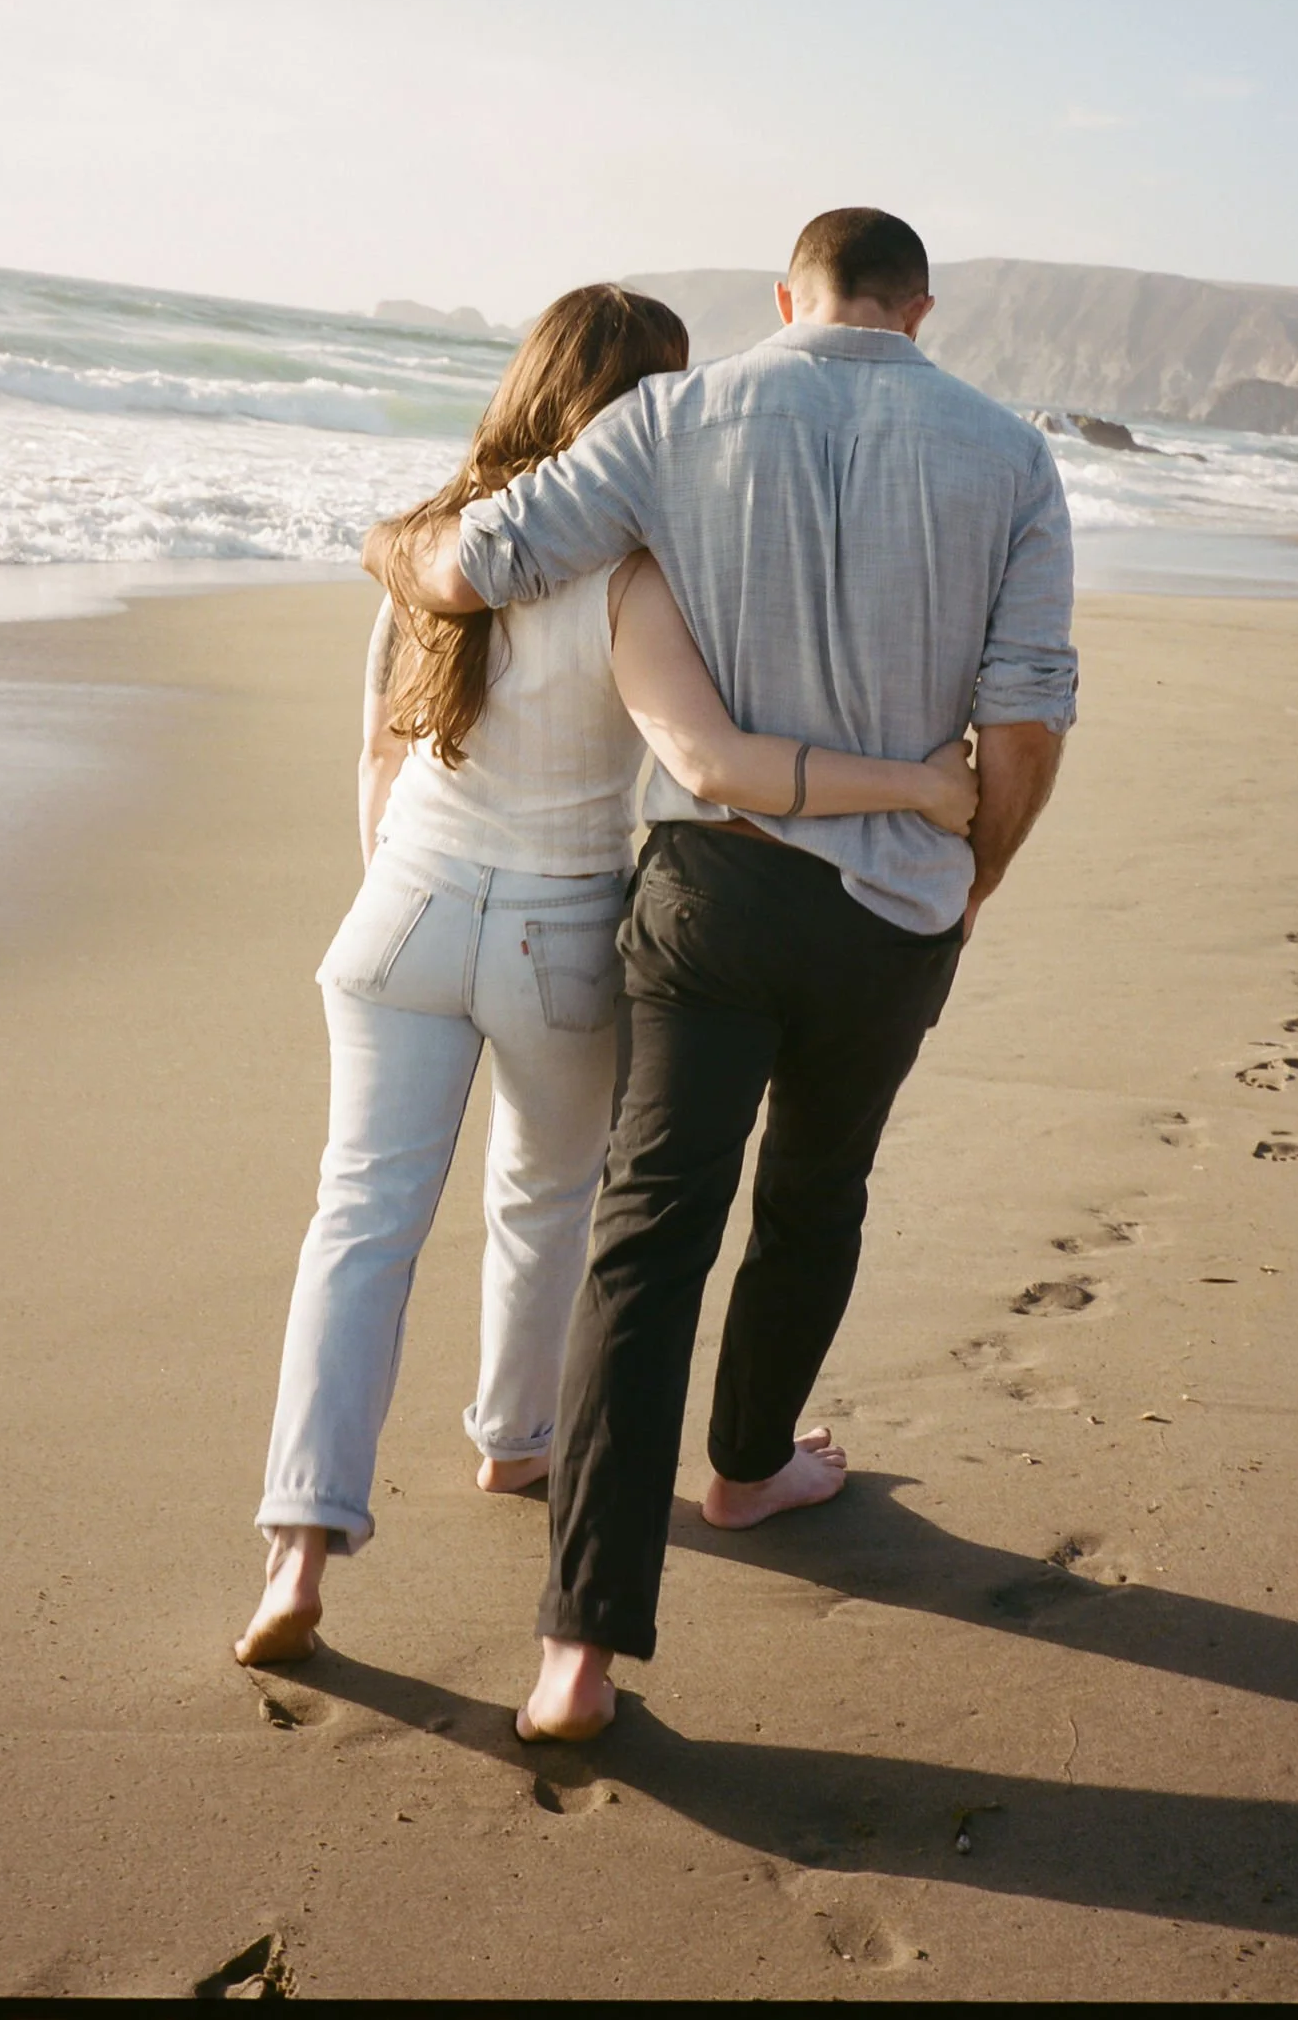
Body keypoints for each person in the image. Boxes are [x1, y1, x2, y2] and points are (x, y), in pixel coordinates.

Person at [375, 210, 1077, 1741]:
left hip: (710, 893)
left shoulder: (672, 416)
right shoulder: (1013, 456)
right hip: (895, 907)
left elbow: (481, 561)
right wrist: (971, 884)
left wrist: (385, 544)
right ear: (920, 311)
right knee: (818, 1194)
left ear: (786, 297)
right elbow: (1025, 720)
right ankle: (751, 1468)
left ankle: (576, 1652)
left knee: (647, 1235)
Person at [236, 281, 979, 1669]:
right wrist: (923, 787)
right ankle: (515, 1439)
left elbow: (379, 760)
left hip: (399, 910)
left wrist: (401, 892)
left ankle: (298, 1551)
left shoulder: (435, 548)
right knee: (544, 1206)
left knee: (358, 1223)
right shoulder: (633, 575)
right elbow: (713, 765)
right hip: (560, 934)